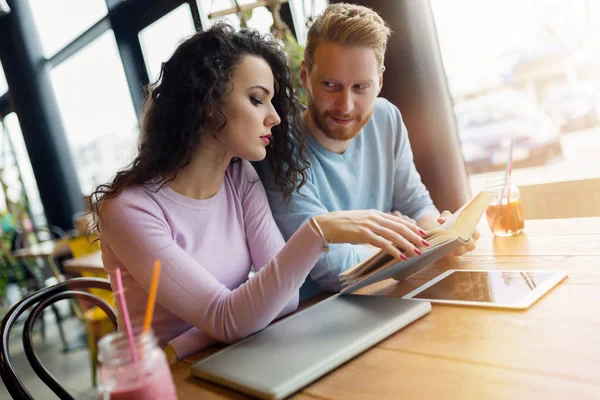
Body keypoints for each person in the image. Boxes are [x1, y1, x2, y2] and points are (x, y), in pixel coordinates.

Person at [89, 23, 429, 362]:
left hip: (222, 355)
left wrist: (185, 343)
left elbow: (287, 298)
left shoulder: (240, 179)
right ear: (209, 101)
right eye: (256, 100)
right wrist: (319, 230)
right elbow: (227, 318)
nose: (275, 118)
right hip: (164, 380)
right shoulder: (127, 210)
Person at [257, 3, 479, 297]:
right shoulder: (281, 149)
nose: (346, 105)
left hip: (388, 293)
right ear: (305, 77)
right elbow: (335, 271)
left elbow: (415, 204)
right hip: (320, 310)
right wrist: (412, 244)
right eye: (331, 85)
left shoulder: (387, 118)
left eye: (361, 87)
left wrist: (441, 235)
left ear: (380, 82)